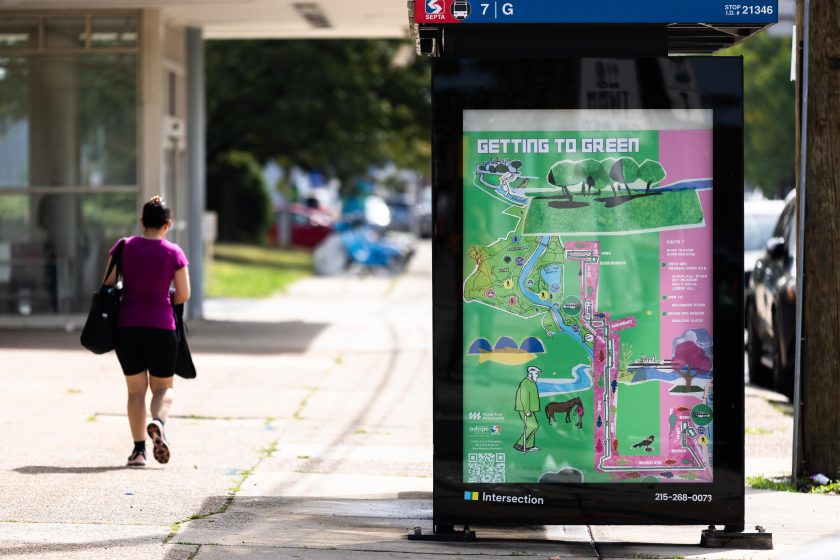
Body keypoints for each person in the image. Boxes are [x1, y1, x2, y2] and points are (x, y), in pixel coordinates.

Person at [103, 196, 190, 467]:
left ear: (142, 222)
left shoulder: (124, 247)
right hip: (162, 328)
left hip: (127, 327)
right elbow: (183, 294)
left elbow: (107, 283)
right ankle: (158, 422)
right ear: (168, 225)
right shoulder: (174, 252)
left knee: (135, 391)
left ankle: (139, 451)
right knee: (163, 387)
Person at [514, 366, 542, 453]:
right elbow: (524, 397)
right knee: (533, 426)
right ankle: (519, 444)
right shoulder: (525, 383)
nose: (537, 376)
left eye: (537, 374)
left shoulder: (531, 382)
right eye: (536, 374)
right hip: (524, 409)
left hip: (529, 409)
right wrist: (527, 410)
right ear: (530, 374)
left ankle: (529, 446)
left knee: (532, 426)